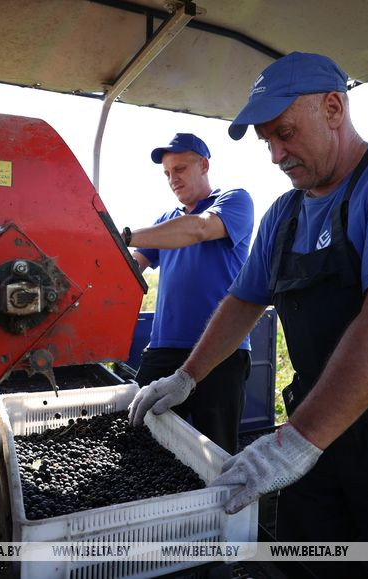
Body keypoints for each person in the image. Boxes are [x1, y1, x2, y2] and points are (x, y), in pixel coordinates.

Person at [129, 53, 368, 578]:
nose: (276, 155)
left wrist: (295, 442)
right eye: (266, 141)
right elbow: (242, 302)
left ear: (333, 108)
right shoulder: (283, 215)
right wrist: (186, 378)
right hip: (319, 423)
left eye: (285, 133)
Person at [121, 132, 254, 454]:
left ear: (204, 165)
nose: (173, 179)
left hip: (220, 352)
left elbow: (199, 228)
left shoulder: (234, 200)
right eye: (167, 173)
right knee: (141, 443)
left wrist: (122, 235)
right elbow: (129, 269)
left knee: (215, 449)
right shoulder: (165, 223)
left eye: (179, 169)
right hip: (163, 349)